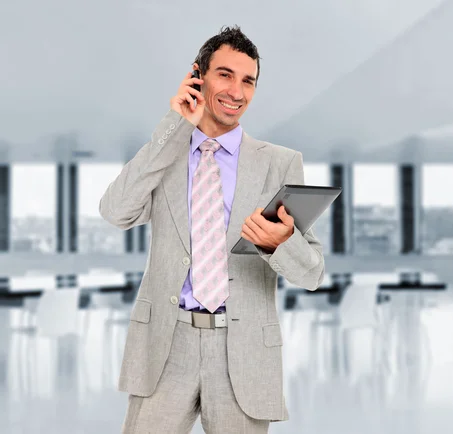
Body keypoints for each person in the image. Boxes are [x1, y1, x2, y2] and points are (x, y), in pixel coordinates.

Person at [99, 25, 325, 434]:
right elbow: (116, 211)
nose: (236, 92)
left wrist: (282, 244)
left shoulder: (281, 163)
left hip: (242, 353)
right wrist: (174, 125)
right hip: (166, 347)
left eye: (248, 81)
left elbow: (312, 273)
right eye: (225, 74)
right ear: (197, 75)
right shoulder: (166, 153)